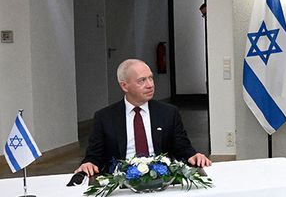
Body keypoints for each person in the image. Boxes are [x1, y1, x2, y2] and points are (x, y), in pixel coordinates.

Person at [77, 59, 212, 177]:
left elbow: (182, 148)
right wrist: (88, 163)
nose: (150, 85)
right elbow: (94, 155)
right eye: (142, 80)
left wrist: (193, 155)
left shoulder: (168, 113)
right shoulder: (105, 117)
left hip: (161, 177)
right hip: (120, 181)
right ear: (124, 86)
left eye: (151, 78)